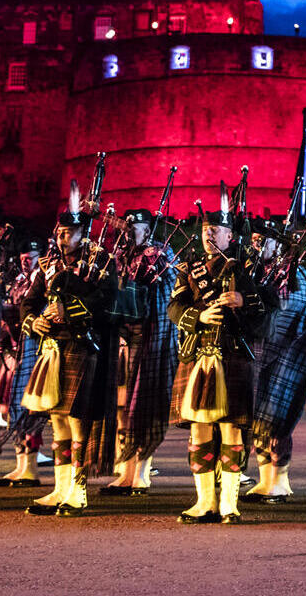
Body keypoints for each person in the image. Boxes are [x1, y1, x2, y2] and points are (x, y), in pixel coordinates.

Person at [167, 181, 267, 524]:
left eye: (218, 230)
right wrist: (199, 315)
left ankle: (229, 503)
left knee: (232, 429)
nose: (211, 236)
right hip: (198, 354)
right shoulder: (189, 269)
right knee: (200, 428)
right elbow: (174, 307)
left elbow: (269, 309)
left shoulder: (247, 269)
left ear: (229, 236)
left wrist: (243, 300)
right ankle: (205, 502)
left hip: (233, 355)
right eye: (207, 230)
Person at [19, 181, 120, 517]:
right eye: (60, 232)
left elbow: (106, 300)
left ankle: (77, 490)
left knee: (77, 422)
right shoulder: (47, 264)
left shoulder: (102, 261)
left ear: (83, 232)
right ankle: (59, 488)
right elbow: (29, 302)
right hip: (52, 349)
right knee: (57, 420)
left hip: (82, 345)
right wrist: (33, 321)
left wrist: (70, 310)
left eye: (70, 232)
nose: (63, 237)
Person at [244, 189, 306, 506]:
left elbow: (295, 310)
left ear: (278, 243)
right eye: (253, 239)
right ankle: (270, 480)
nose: (256, 245)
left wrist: (260, 317)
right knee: (260, 419)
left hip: (286, 354)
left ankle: (278, 481)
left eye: (262, 240)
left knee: (275, 420)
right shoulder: (257, 271)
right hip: (261, 352)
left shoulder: (295, 273)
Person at [102, 204, 177, 497]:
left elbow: (166, 292)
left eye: (135, 228)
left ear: (148, 229)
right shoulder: (120, 256)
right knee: (123, 408)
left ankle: (141, 473)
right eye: (127, 226)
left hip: (153, 336)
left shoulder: (162, 254)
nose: (130, 232)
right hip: (123, 337)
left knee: (143, 405)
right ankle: (126, 470)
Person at [0, 239, 48, 487]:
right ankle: (20, 465)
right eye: (24, 258)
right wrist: (6, 351)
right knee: (15, 408)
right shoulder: (17, 282)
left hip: (35, 348)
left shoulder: (46, 276)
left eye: (31, 256)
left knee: (32, 411)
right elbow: (6, 322)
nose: (27, 261)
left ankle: (31, 468)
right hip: (16, 351)